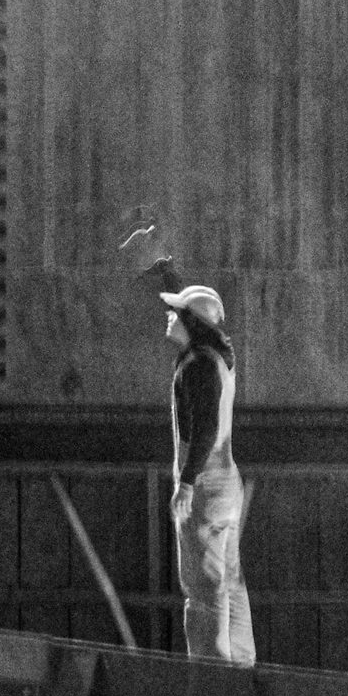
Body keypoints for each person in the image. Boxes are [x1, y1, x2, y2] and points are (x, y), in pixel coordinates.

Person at [128, 228, 254, 664]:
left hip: (203, 485)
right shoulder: (215, 355)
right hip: (228, 485)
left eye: (174, 314)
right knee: (230, 582)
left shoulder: (196, 367)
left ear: (191, 324)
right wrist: (167, 271)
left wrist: (184, 485)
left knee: (202, 591)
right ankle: (242, 672)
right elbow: (191, 304)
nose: (167, 317)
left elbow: (200, 433)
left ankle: (213, 685)